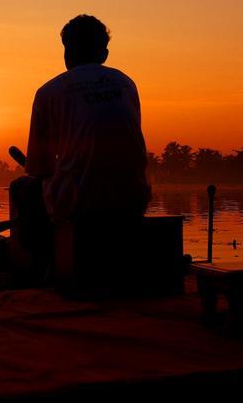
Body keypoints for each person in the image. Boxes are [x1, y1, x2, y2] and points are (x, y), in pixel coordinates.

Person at [9, 15, 150, 276]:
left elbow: (39, 167)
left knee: (22, 187)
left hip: (81, 204)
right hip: (134, 199)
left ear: (67, 52)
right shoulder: (126, 83)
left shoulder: (49, 91)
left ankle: (45, 264)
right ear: (104, 54)